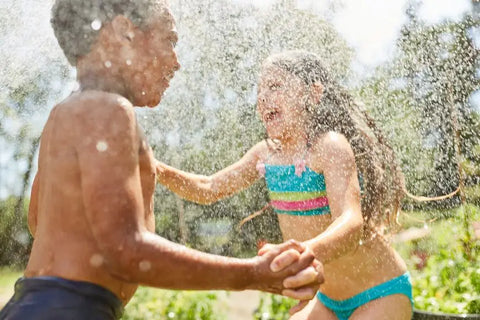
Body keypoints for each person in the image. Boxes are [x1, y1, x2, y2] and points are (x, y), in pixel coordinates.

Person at [0, 2, 324, 320]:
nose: (177, 62)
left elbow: (38, 221)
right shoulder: (109, 110)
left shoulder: (69, 112)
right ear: (124, 31)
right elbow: (126, 250)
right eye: (170, 40)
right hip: (69, 310)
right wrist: (251, 273)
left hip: (40, 303)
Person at [156, 50, 414, 319]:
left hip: (379, 292)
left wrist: (304, 252)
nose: (263, 97)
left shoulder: (329, 147)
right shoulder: (265, 155)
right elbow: (207, 188)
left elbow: (350, 222)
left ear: (313, 94)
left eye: (275, 86)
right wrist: (156, 169)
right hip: (328, 300)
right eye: (259, 90)